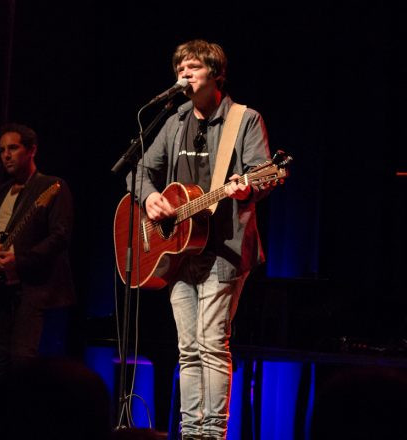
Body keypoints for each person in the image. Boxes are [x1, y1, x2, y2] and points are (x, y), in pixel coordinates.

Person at [127, 40, 270, 439]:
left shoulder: (245, 120)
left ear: (216, 75)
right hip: (179, 253)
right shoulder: (174, 122)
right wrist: (151, 198)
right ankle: (191, 433)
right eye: (180, 69)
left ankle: (213, 434)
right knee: (187, 350)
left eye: (192, 68)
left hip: (224, 249)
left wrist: (248, 188)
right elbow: (138, 172)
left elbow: (262, 172)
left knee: (211, 345)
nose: (184, 75)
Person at [0, 123, 74, 376]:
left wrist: (21, 259)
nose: (6, 155)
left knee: (24, 362)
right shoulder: (1, 191)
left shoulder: (51, 186)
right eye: (2, 149)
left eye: (13, 148)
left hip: (35, 288)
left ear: (31, 150)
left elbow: (60, 236)